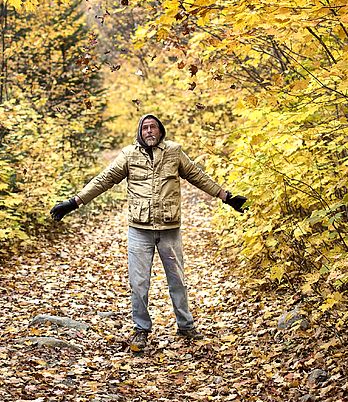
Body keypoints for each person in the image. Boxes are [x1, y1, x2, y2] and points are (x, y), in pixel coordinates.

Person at [50, 113, 247, 351]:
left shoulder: (174, 151)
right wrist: (74, 202)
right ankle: (141, 330)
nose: (150, 131)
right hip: (139, 229)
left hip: (169, 228)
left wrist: (226, 197)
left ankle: (186, 325)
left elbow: (197, 175)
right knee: (139, 282)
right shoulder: (129, 155)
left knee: (177, 280)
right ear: (139, 133)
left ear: (161, 131)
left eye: (154, 127)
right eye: (145, 128)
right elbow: (104, 180)